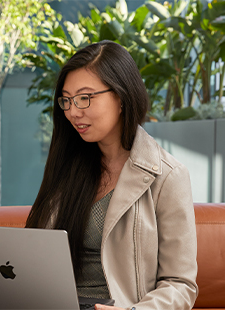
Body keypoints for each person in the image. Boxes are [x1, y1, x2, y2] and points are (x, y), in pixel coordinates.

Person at [25, 41, 198, 310]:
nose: (72, 111)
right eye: (67, 100)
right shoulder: (68, 165)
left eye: (85, 98)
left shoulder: (168, 176)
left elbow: (180, 284)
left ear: (121, 97)